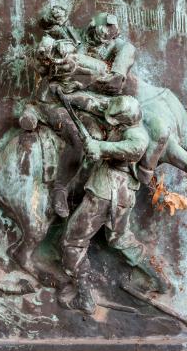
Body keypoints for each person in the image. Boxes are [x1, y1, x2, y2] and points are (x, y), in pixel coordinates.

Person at [60, 95, 168, 313]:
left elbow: (129, 149)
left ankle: (85, 297)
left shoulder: (138, 138)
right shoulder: (128, 119)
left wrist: (99, 146)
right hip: (122, 195)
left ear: (122, 121)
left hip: (105, 192)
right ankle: (160, 280)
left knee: (73, 241)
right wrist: (68, 96)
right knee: (119, 239)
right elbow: (96, 105)